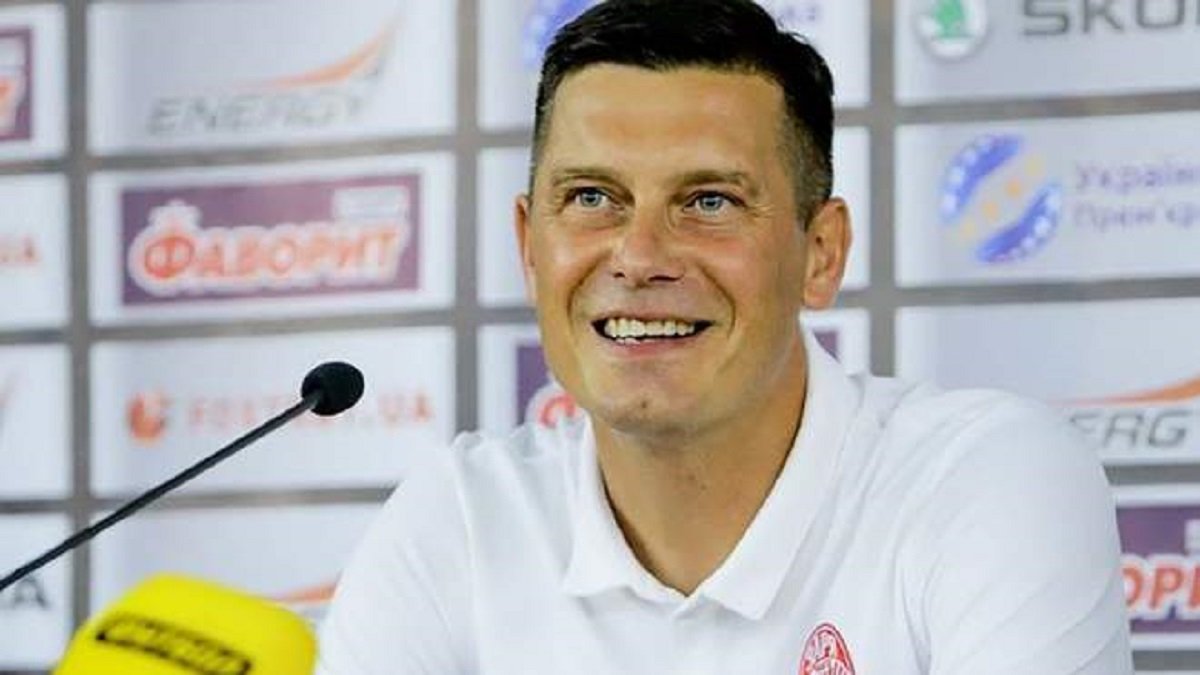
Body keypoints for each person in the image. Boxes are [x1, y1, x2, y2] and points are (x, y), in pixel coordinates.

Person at [317, 1, 1133, 672]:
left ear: (821, 254)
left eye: (709, 201)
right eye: (593, 196)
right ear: (531, 248)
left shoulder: (983, 478)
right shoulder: (456, 517)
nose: (639, 256)